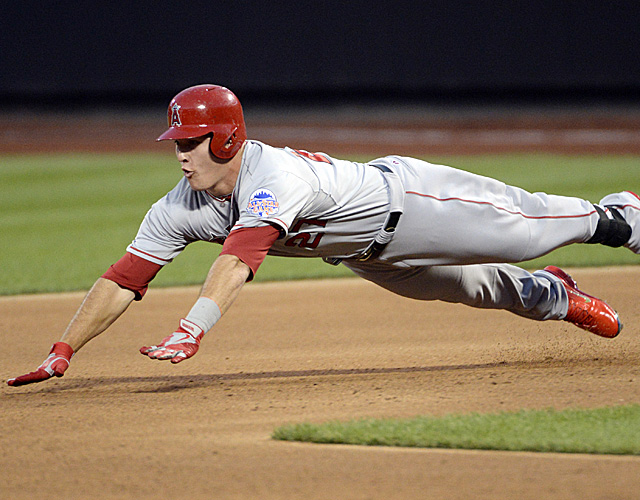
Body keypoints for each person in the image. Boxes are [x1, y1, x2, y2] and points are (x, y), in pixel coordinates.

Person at [7, 84, 639, 387]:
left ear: (224, 137)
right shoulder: (178, 206)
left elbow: (241, 257)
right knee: (477, 290)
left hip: (412, 203)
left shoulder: (270, 174)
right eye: (176, 142)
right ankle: (557, 297)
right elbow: (125, 279)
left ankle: (620, 215)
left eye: (189, 142)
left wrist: (193, 325)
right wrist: (65, 349)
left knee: (530, 230)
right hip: (371, 254)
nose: (180, 154)